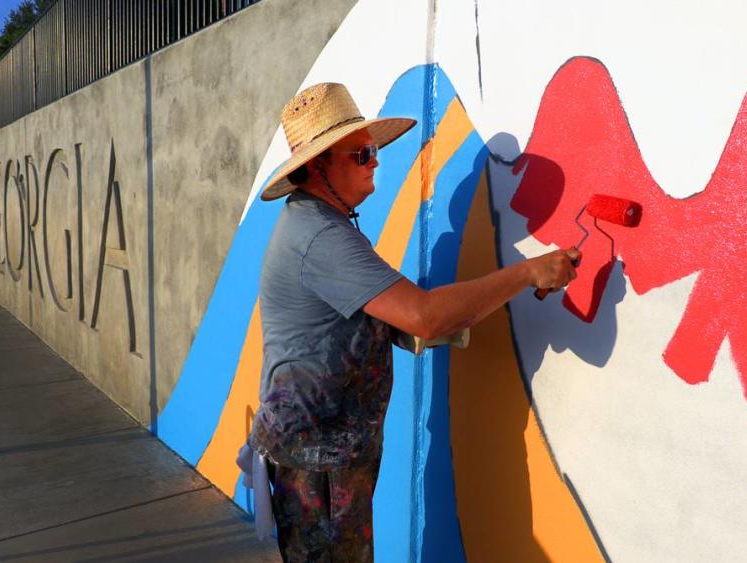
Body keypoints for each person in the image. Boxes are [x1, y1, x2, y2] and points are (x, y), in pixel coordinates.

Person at [246, 83, 579, 562]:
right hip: (318, 459)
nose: (376, 161)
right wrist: (527, 272)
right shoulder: (321, 236)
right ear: (318, 167)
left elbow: (388, 317)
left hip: (326, 451)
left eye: (374, 150)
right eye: (362, 154)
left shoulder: (324, 224)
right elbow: (423, 316)